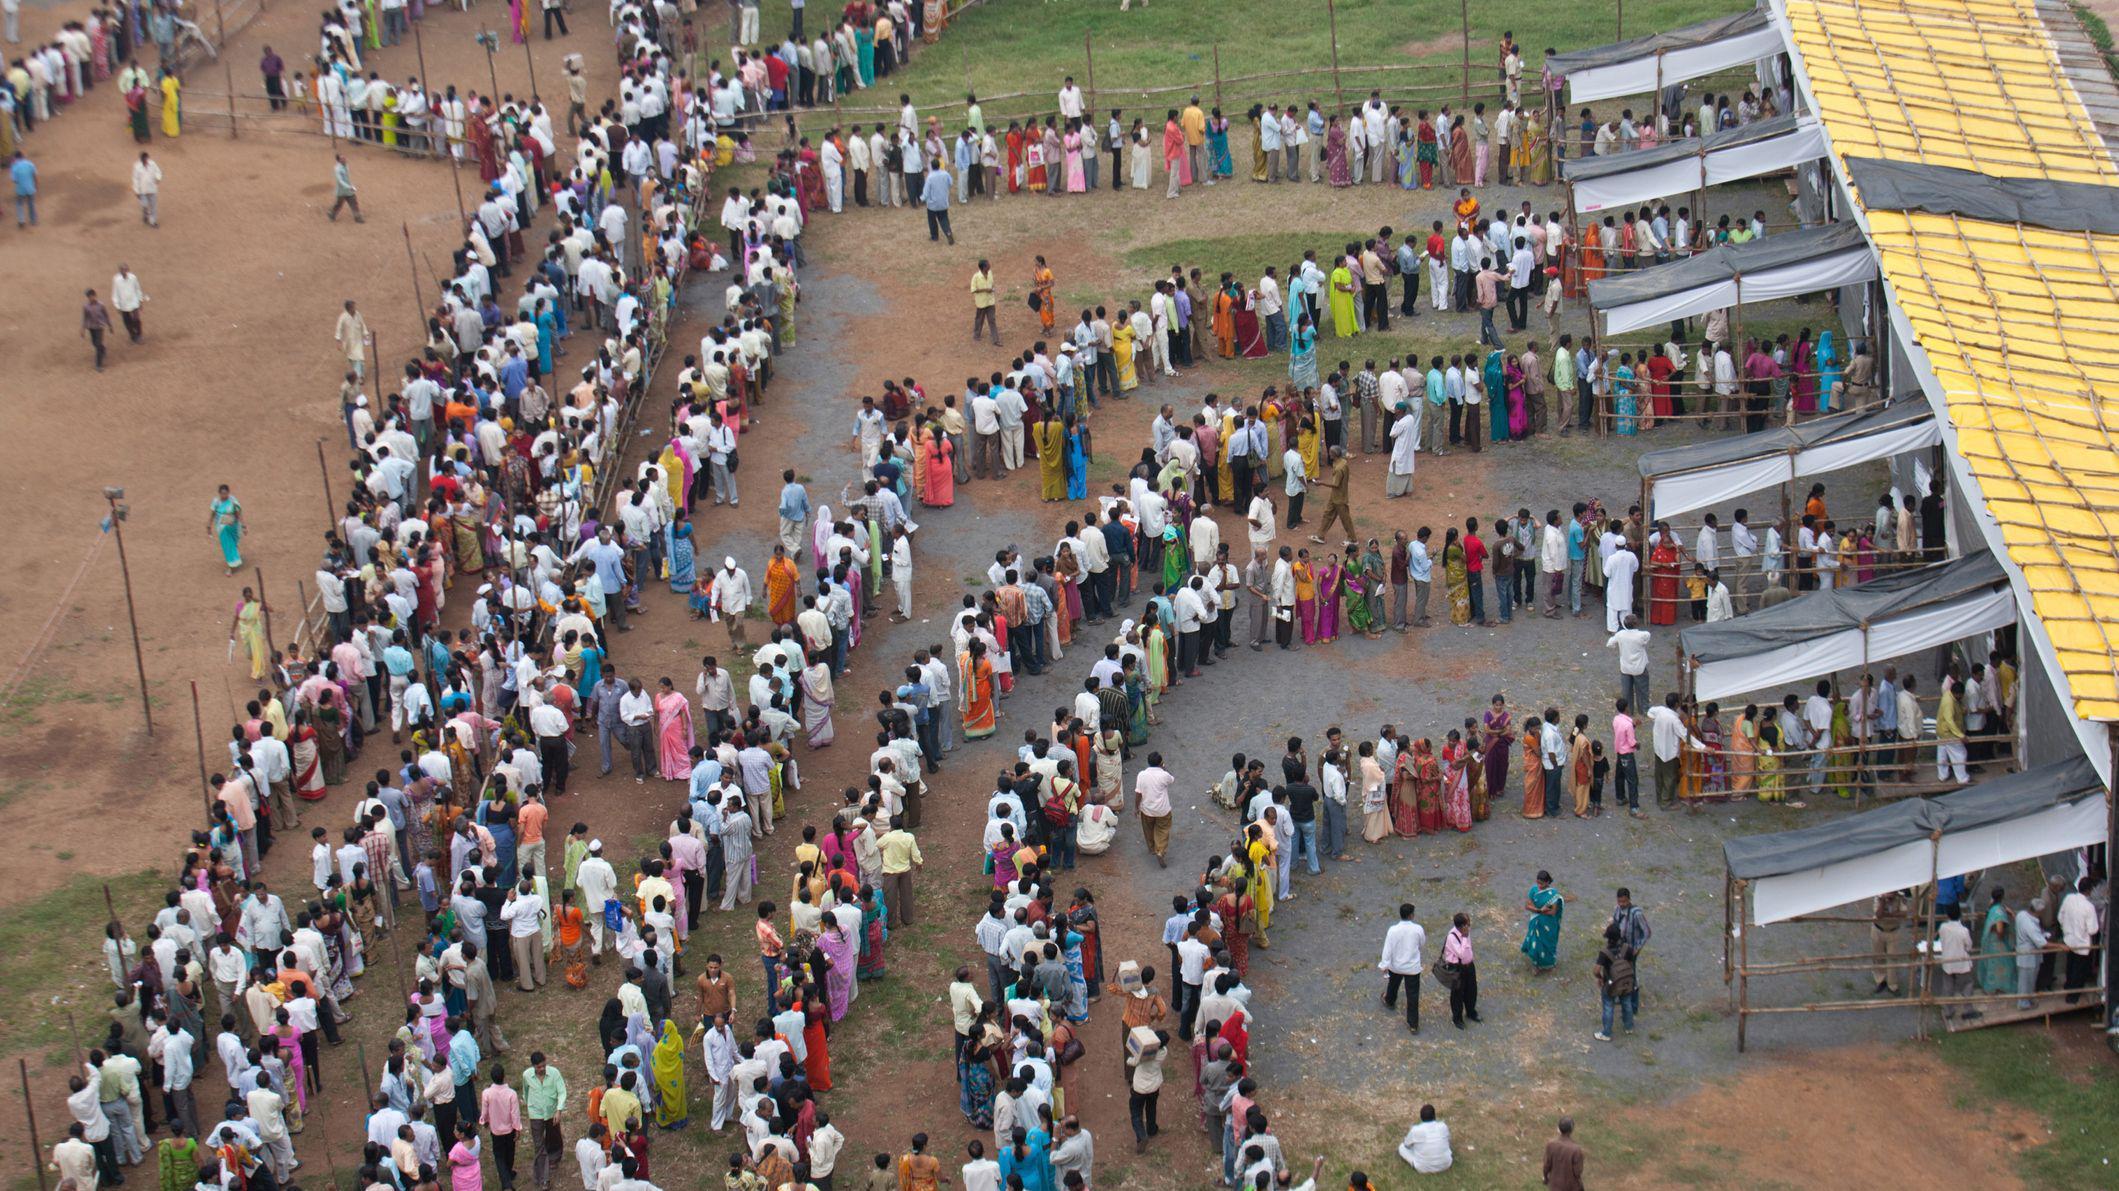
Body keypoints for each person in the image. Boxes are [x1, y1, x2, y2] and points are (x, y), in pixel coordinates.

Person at [1377, 903, 1425, 1032]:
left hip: (1396, 966)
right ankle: (1413, 1024)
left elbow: (1387, 949)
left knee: (1393, 984)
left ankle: (1389, 1000)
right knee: (1413, 995)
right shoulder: (1418, 929)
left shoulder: (1393, 930)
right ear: (1411, 915)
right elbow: (1422, 943)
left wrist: (1384, 964)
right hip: (1412, 967)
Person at [1521, 870, 1563, 972]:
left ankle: (1549, 964)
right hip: (1536, 922)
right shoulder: (1533, 890)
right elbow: (1527, 905)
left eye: (1542, 883)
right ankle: (1535, 965)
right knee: (1535, 944)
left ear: (1548, 882)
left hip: (1548, 924)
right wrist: (1539, 910)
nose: (1539, 885)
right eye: (1538, 882)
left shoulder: (1553, 895)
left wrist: (1540, 910)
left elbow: (1552, 911)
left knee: (1548, 944)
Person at [1397, 1103, 1452, 1174]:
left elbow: (1406, 1145)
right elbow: (1447, 1140)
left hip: (1423, 1167)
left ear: (1421, 1117)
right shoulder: (1443, 1126)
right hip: (1445, 1164)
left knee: (1401, 1148)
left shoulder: (1416, 1130)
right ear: (1434, 1116)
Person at [1543, 1118, 1586, 1191]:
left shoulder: (1550, 1145)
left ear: (1558, 1129)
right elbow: (1577, 1172)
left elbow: (1547, 1165)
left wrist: (1545, 1177)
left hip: (1555, 1186)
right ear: (1571, 1130)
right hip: (1571, 1187)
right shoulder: (1576, 1150)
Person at [329, 154, 364, 223]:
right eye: (342, 159)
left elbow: (347, 178)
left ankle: (357, 217)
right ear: (339, 160)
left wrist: (350, 186)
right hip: (342, 190)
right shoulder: (337, 169)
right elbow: (340, 181)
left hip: (348, 189)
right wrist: (349, 187)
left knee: (354, 202)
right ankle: (332, 214)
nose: (345, 159)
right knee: (339, 204)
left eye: (344, 158)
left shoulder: (346, 165)